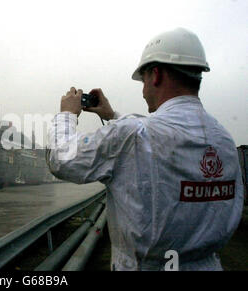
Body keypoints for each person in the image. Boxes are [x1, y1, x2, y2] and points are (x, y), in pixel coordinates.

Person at [46, 27, 244, 271]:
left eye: (143, 80)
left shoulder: (132, 135)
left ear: (156, 75)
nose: (143, 89)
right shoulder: (224, 139)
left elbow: (62, 160)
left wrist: (66, 115)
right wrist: (112, 115)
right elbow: (156, 135)